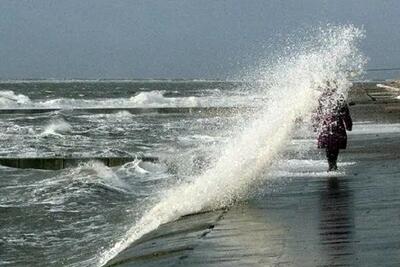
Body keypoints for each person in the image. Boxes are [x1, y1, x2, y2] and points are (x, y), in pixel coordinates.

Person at [313, 82, 353, 171]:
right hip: (337, 125)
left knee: (328, 146)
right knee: (335, 147)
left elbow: (318, 113)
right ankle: (333, 164)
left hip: (326, 125)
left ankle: (331, 164)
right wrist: (348, 125)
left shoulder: (322, 98)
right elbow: (345, 113)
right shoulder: (339, 98)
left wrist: (316, 125)